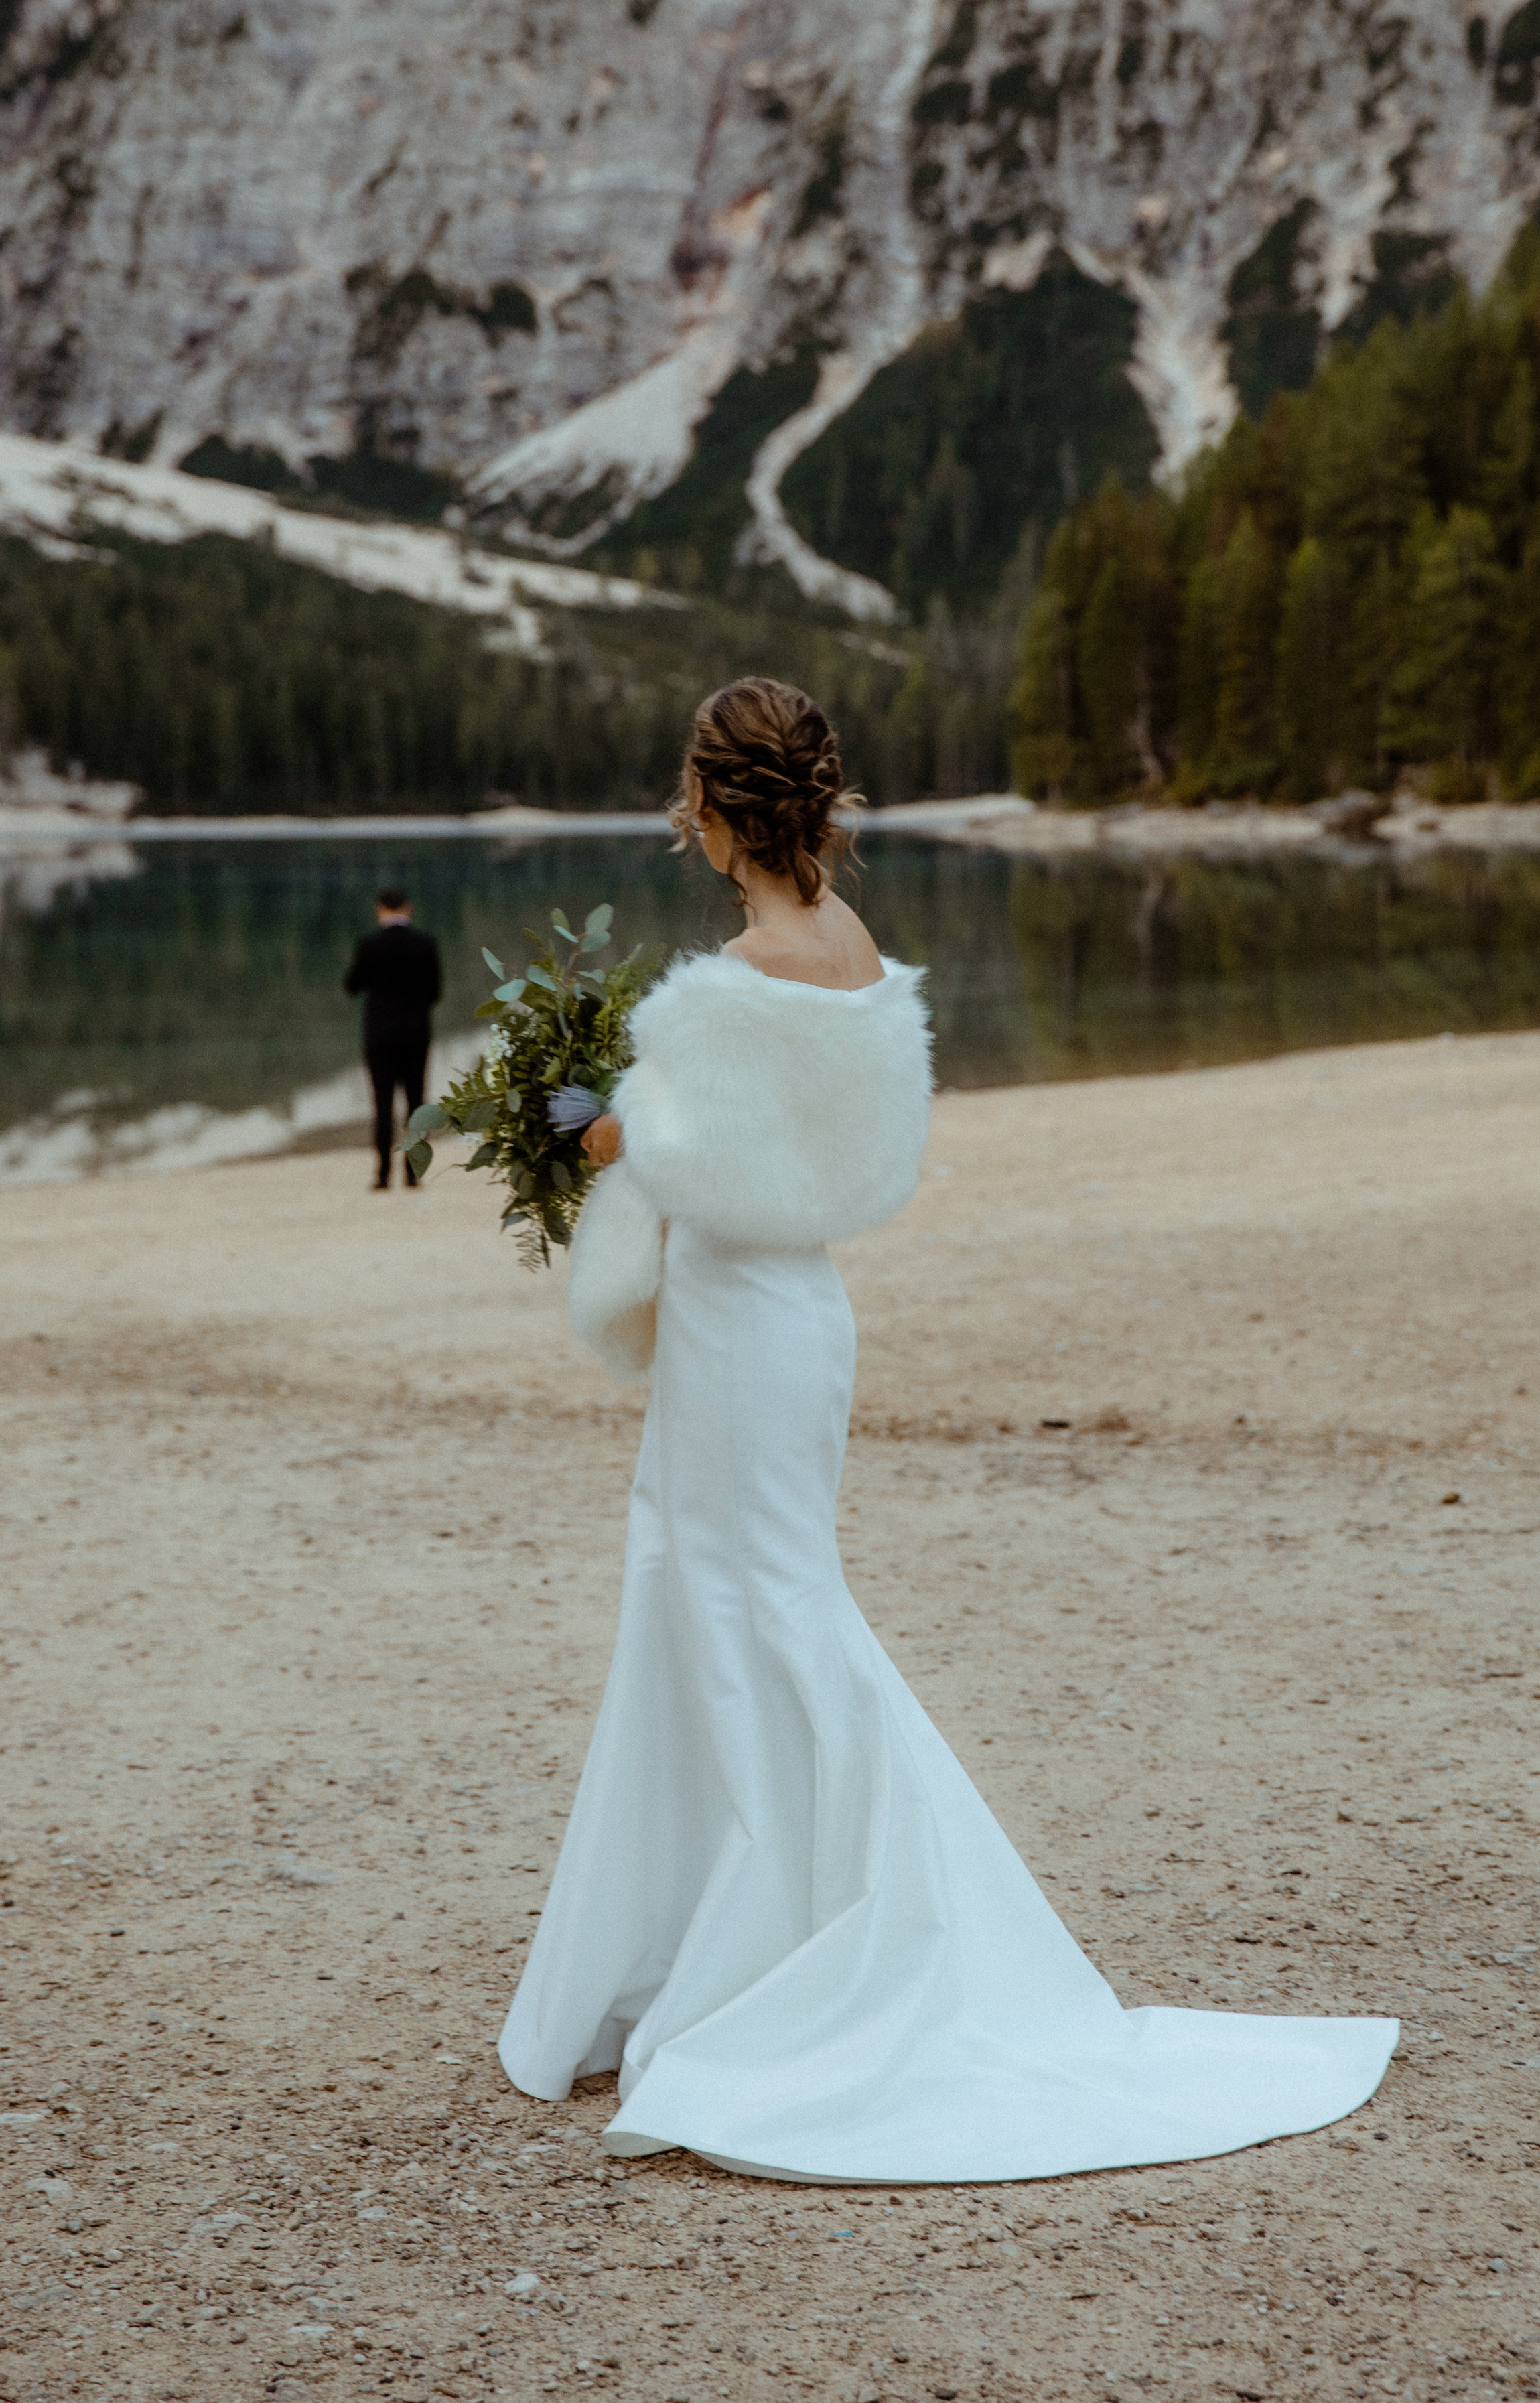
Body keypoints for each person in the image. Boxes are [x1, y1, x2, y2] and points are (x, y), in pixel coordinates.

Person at [497, 675, 1397, 2183]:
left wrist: (584, 1123)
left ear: (711, 809)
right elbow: (793, 1144)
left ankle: (811, 1935)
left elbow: (671, 1151)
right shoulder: (852, 948)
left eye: (690, 797)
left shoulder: (730, 984)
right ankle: (706, 1932)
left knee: (744, 1604)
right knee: (739, 1598)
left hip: (738, 1326)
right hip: (799, 1316)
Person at [343, 888, 441, 1190]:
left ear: (379, 909)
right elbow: (435, 992)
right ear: (408, 908)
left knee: (383, 1106)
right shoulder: (426, 943)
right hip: (415, 1034)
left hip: (380, 1037)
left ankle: (383, 1174)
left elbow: (352, 986)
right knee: (416, 1105)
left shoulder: (369, 944)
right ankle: (413, 1172)